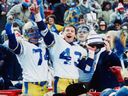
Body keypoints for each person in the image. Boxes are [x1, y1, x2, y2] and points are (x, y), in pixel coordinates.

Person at [30, 3, 95, 94]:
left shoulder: (81, 49)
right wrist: (37, 15)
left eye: (72, 31)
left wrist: (91, 52)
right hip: (60, 80)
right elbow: (44, 31)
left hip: (75, 81)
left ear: (75, 35)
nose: (70, 32)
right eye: (67, 30)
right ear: (62, 33)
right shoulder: (57, 42)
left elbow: (87, 69)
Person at [5, 10, 50, 95]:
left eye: (37, 31)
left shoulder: (43, 45)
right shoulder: (24, 45)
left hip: (45, 86)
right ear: (25, 33)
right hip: (31, 86)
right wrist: (9, 25)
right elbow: (13, 42)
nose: (35, 34)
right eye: (31, 31)